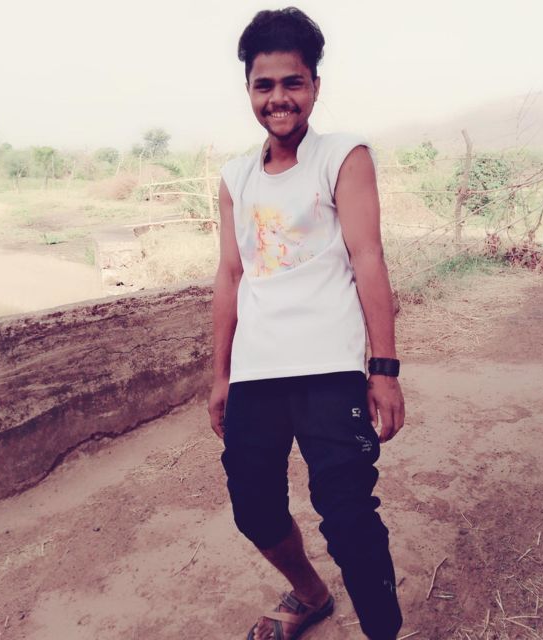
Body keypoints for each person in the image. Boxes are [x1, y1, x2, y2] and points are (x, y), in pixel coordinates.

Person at [208, 7, 405, 639]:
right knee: (253, 509)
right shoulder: (235, 177)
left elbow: (368, 258)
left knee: (348, 516)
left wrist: (384, 369)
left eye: (292, 82)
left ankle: (382, 631)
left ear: (315, 84)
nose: (279, 98)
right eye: (263, 85)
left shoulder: (342, 156)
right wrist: (220, 376)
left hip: (329, 368)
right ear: (248, 90)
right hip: (256, 371)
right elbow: (231, 276)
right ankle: (311, 594)